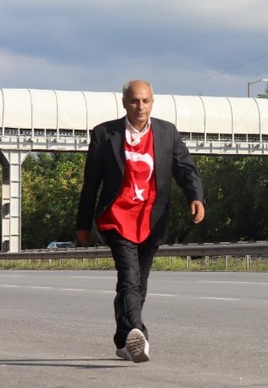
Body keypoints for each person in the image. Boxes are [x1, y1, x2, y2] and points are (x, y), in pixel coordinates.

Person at [76, 79, 205, 363]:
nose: (140, 106)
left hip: (152, 219)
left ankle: (124, 341)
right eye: (134, 101)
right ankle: (138, 332)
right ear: (124, 103)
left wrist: (195, 197)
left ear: (152, 102)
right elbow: (91, 184)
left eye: (145, 101)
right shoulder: (104, 134)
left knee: (139, 283)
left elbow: (185, 168)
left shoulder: (167, 133)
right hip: (118, 217)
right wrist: (83, 224)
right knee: (129, 278)